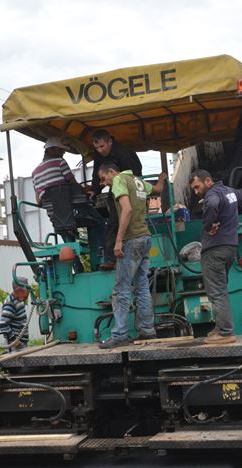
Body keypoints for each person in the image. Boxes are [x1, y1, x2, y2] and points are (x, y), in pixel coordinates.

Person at [95, 163, 166, 349]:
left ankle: (119, 335)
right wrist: (162, 178)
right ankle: (147, 330)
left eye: (103, 178)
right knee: (141, 286)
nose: (104, 183)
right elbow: (158, 189)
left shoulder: (119, 180)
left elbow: (126, 209)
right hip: (145, 238)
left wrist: (118, 241)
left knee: (121, 289)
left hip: (131, 240)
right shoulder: (138, 181)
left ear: (112, 172)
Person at [189, 169, 242, 345]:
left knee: (217, 292)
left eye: (197, 187)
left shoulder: (212, 195)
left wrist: (208, 224)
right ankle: (220, 328)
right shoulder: (230, 192)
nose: (196, 192)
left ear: (207, 180)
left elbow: (211, 204)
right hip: (230, 248)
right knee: (221, 290)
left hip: (215, 250)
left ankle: (225, 332)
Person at [90, 130, 143, 270]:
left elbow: (137, 173)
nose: (100, 150)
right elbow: (97, 174)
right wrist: (94, 190)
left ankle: (117, 257)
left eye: (102, 146)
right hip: (116, 189)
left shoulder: (123, 153)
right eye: (97, 147)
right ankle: (111, 259)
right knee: (113, 222)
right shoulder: (98, 155)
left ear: (110, 142)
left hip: (130, 188)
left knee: (118, 221)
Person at [0, 277, 31, 350]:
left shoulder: (18, 301)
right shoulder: (11, 303)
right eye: (23, 291)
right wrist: (15, 341)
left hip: (21, 344)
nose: (26, 294)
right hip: (15, 346)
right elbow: (3, 324)